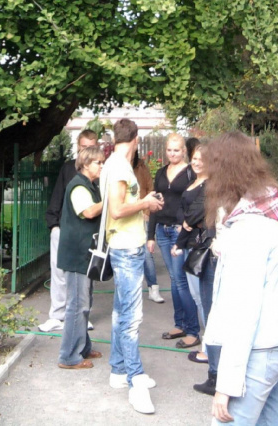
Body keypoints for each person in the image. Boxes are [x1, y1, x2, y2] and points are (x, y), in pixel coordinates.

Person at [203, 131, 278, 426]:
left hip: (257, 348)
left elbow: (243, 312)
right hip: (277, 342)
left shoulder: (248, 229)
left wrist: (225, 386)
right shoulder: (271, 209)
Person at [102, 119, 163, 415]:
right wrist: (144, 204)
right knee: (131, 318)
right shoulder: (119, 167)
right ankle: (134, 379)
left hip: (126, 246)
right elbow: (116, 209)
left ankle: (118, 370)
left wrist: (143, 201)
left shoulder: (114, 164)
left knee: (120, 313)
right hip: (126, 249)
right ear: (136, 139)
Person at [40, 129, 99, 333]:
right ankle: (57, 314)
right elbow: (58, 196)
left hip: (85, 233)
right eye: (84, 147)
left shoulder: (99, 171)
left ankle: (83, 315)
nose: (87, 152)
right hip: (64, 228)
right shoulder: (68, 169)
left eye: (92, 147)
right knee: (58, 272)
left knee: (86, 274)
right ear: (78, 147)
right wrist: (54, 225)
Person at [147, 133, 200, 348]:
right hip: (162, 229)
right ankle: (180, 323)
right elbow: (154, 202)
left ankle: (193, 330)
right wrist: (150, 235)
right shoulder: (161, 172)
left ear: (184, 151)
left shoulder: (190, 172)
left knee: (181, 280)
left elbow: (196, 200)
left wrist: (184, 224)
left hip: (180, 231)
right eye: (169, 150)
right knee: (174, 279)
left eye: (176, 150)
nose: (172, 154)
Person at [57, 144, 105, 370]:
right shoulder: (78, 186)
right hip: (77, 254)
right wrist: (111, 200)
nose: (101, 166)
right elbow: (88, 212)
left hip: (84, 253)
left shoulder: (90, 185)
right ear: (86, 164)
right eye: (98, 162)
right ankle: (69, 356)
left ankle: (83, 347)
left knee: (85, 302)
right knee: (77, 304)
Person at [171, 143, 216, 369]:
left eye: (202, 159)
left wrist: (185, 228)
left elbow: (195, 213)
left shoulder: (210, 185)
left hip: (201, 246)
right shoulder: (193, 183)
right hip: (190, 244)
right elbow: (182, 212)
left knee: (205, 298)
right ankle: (208, 344)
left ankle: (209, 348)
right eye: (195, 158)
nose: (197, 162)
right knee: (198, 297)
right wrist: (185, 224)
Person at [133, 152, 165, 303]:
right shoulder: (119, 167)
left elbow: (150, 189)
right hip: (126, 217)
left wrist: (147, 212)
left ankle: (153, 288)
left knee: (146, 253)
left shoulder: (141, 167)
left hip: (142, 215)